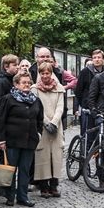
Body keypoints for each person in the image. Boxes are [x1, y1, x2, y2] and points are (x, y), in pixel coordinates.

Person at [0, 72, 43, 207]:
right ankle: (10, 196)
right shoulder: (8, 99)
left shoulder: (35, 100)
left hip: (29, 141)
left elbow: (40, 119)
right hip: (12, 141)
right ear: (16, 84)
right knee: (11, 169)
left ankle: (23, 197)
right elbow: (0, 120)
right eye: (23, 82)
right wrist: (1, 140)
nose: (26, 85)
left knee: (25, 170)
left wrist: (38, 134)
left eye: (28, 82)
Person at [34, 62, 65, 196]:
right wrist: (46, 122)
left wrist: (54, 122)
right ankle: (43, 186)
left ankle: (54, 185)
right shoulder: (35, 89)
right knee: (43, 155)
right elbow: (37, 108)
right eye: (42, 73)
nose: (45, 76)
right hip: (42, 125)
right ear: (39, 74)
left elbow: (60, 107)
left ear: (51, 73)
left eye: (47, 73)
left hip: (56, 126)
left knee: (56, 155)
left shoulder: (58, 88)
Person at [74, 49, 104, 148]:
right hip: (87, 109)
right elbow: (78, 90)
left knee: (100, 136)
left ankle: (99, 160)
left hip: (101, 108)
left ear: (103, 59)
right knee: (86, 135)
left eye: (99, 57)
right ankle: (84, 160)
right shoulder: (85, 72)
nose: (97, 60)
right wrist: (84, 104)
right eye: (94, 58)